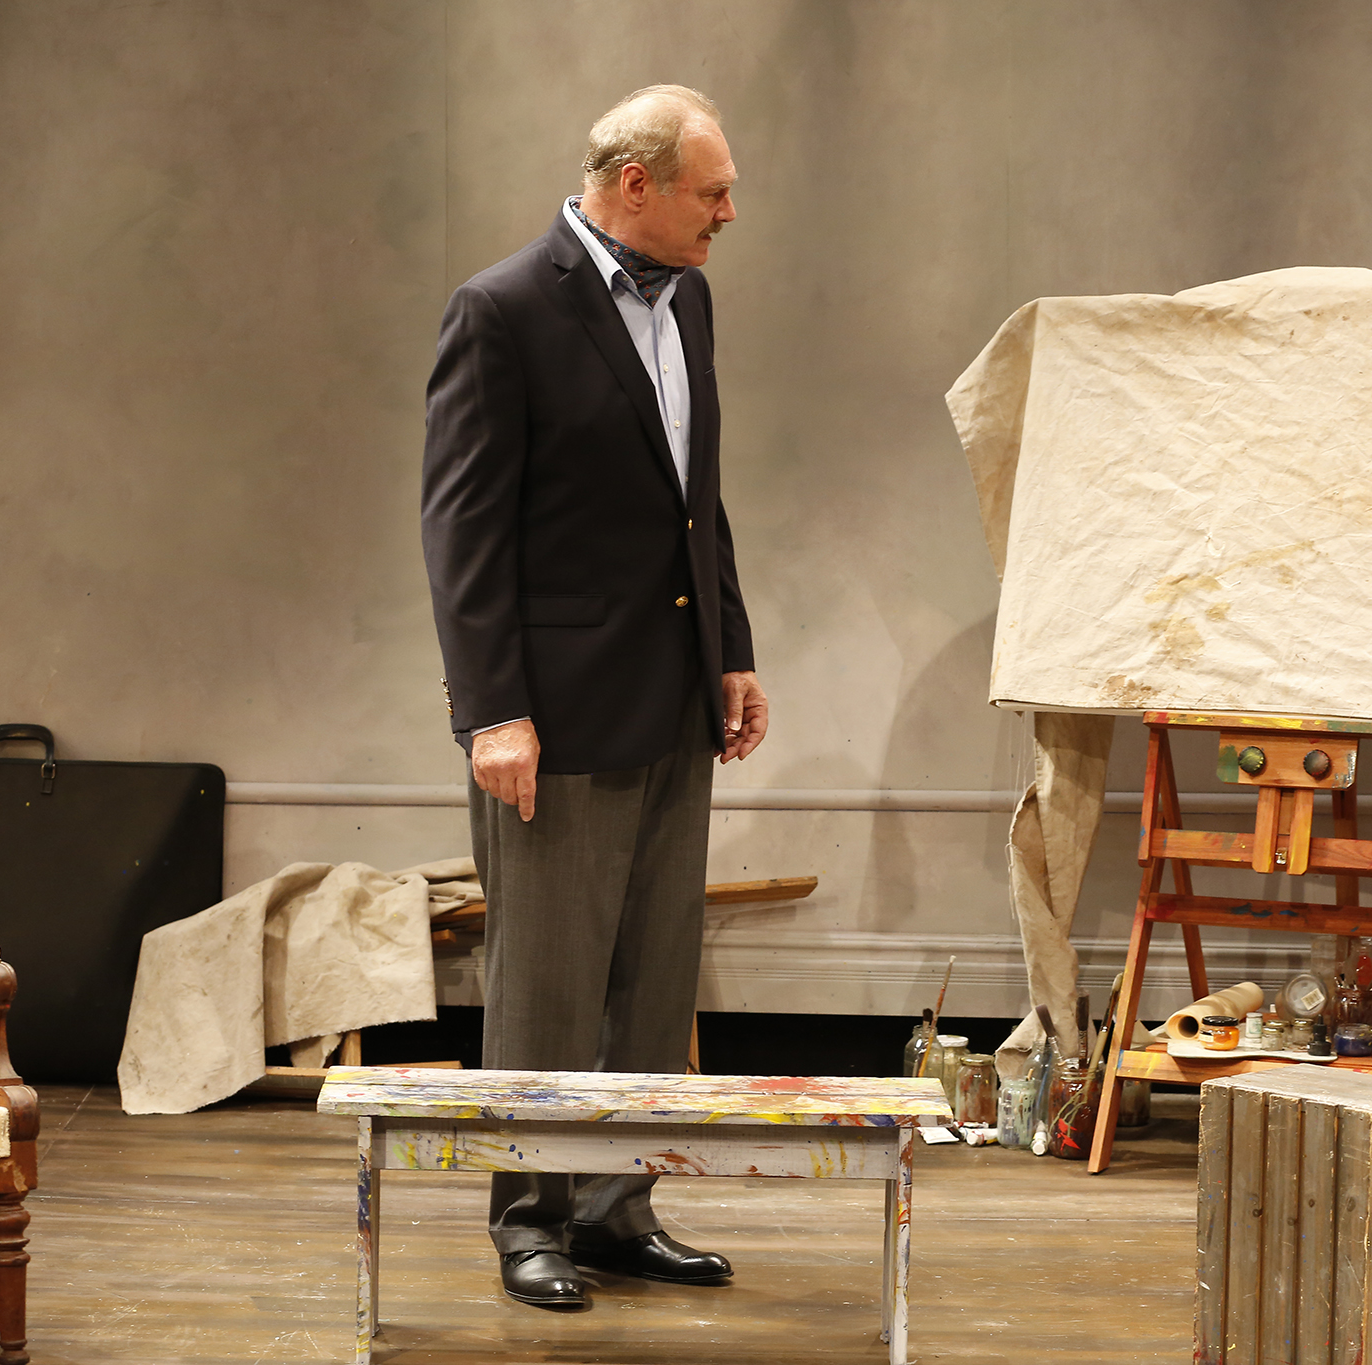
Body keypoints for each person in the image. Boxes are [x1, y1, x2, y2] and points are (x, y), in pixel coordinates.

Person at [420, 84, 768, 1310]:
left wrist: (729, 647)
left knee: (651, 979)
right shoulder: (504, 309)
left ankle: (622, 1209)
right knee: (547, 984)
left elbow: (694, 495)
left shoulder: (691, 300)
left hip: (671, 696)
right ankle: (531, 1218)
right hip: (555, 713)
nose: (727, 212)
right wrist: (490, 710)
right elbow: (461, 531)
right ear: (636, 185)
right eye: (711, 192)